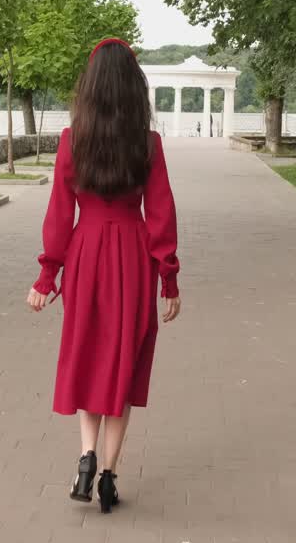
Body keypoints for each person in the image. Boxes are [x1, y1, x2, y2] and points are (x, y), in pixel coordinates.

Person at [27, 38, 182, 514]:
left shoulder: (72, 140)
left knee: (89, 351)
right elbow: (160, 214)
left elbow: (59, 213)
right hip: (133, 256)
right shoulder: (148, 143)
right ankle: (111, 474)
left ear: (89, 86)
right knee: (125, 359)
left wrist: (47, 274)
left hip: (86, 254)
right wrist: (169, 279)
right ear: (135, 87)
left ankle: (86, 456)